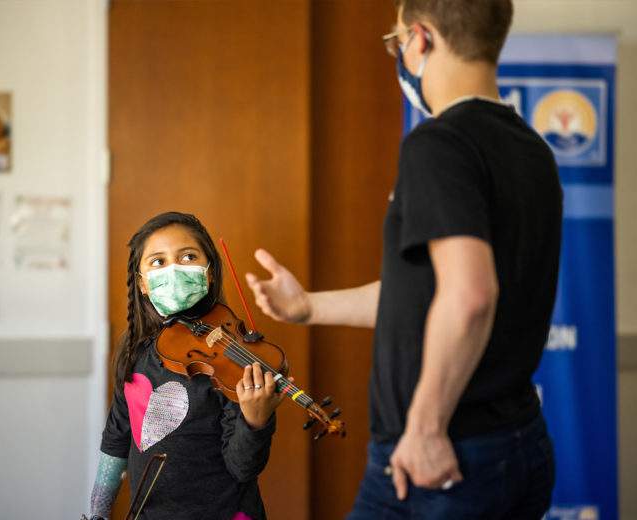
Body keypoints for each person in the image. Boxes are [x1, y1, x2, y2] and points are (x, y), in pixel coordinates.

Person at [245, 0, 562, 518]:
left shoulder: (439, 143)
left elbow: (470, 296)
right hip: (515, 443)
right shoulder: (532, 150)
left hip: (443, 461)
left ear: (421, 38)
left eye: (396, 41)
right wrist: (308, 308)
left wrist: (425, 428)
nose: (399, 54)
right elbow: (424, 294)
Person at [85, 212, 285, 520]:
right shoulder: (135, 349)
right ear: (142, 284)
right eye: (158, 262)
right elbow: (116, 436)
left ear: (210, 273)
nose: (174, 269)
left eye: (188, 256)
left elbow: (242, 467)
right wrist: (97, 513)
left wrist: (255, 422)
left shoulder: (231, 357)